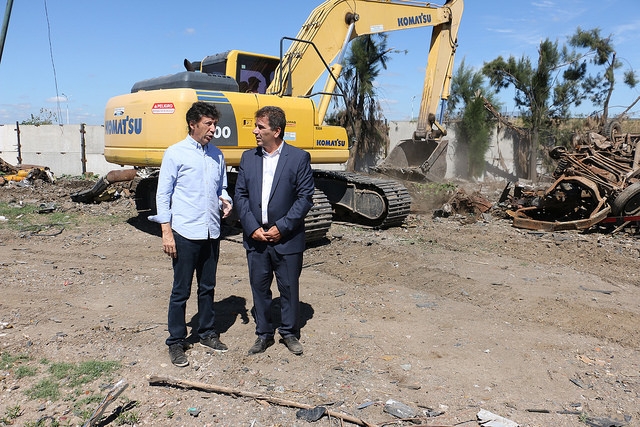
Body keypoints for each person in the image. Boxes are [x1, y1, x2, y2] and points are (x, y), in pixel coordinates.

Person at [149, 101, 233, 367]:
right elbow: (163, 195)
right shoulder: (175, 153)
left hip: (211, 232)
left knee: (207, 287)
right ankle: (176, 341)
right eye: (208, 124)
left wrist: (225, 200)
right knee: (181, 290)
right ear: (192, 124)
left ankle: (206, 333)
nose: (213, 129)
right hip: (185, 232)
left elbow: (221, 188)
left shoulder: (217, 155)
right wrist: (166, 232)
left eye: (215, 124)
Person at [234, 105, 314, 356]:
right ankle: (264, 334)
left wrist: (282, 227)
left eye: (260, 127)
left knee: (288, 288)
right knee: (259, 288)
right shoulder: (248, 158)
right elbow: (240, 195)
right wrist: (252, 228)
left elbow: (305, 198)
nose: (255, 131)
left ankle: (289, 332)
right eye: (255, 126)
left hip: (287, 238)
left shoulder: (298, 158)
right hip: (256, 238)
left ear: (276, 131)